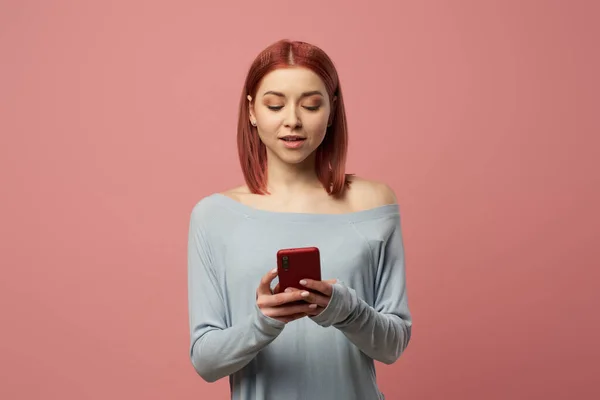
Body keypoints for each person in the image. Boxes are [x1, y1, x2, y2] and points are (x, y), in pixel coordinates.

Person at [187, 39, 412, 400]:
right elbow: (206, 361)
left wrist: (344, 309)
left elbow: (393, 345)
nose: (292, 120)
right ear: (252, 111)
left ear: (333, 109)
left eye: (311, 105)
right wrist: (264, 323)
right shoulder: (214, 216)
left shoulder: (374, 202)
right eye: (275, 105)